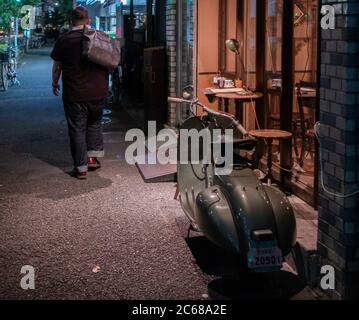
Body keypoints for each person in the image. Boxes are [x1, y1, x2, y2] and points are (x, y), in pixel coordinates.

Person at [51, 6, 108, 179]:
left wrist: (54, 82)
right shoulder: (98, 37)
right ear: (88, 20)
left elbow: (57, 65)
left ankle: (81, 168)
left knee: (77, 129)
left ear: (71, 21)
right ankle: (92, 159)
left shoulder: (64, 40)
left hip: (74, 93)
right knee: (94, 124)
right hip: (98, 91)